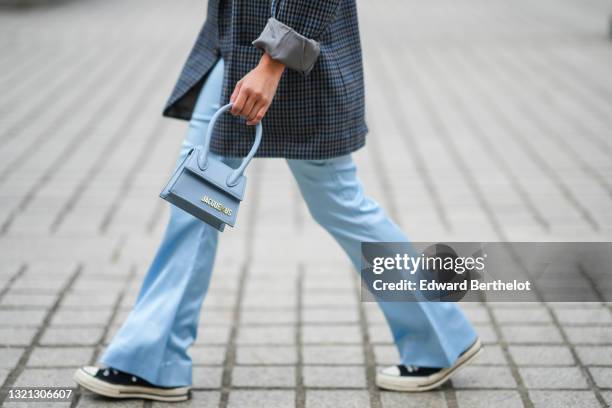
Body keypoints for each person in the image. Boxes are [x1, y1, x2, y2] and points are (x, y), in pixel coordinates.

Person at [73, 0, 481, 402]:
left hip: (287, 61)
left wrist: (272, 63)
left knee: (336, 201)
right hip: (240, 53)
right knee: (198, 199)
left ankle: (440, 336)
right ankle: (152, 358)